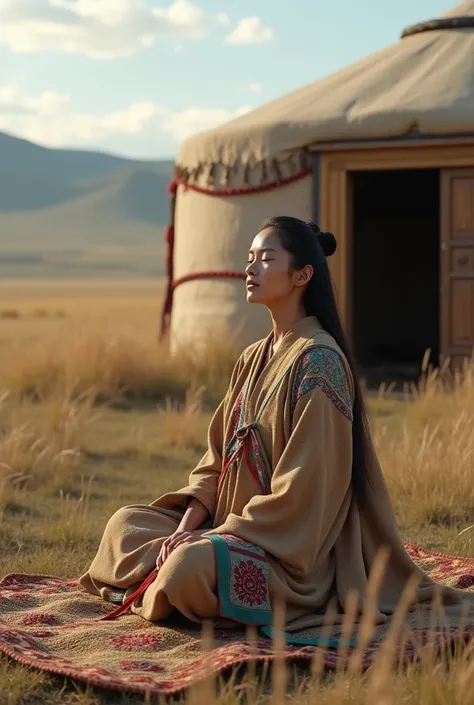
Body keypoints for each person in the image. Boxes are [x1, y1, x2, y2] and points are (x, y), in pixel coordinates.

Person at [79, 216, 473, 642]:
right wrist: (183, 530)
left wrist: (214, 537)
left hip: (285, 550)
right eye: (249, 258)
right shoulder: (252, 358)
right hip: (223, 527)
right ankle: (173, 576)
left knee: (185, 569)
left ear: (303, 274)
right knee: (125, 525)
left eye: (266, 259)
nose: (250, 268)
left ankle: (173, 581)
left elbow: (304, 494)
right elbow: (214, 465)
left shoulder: (320, 362)